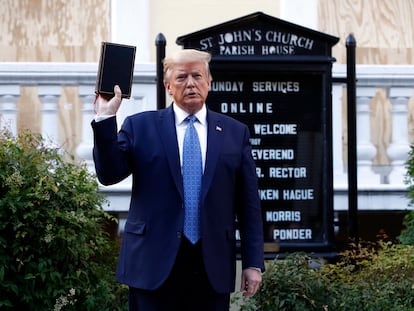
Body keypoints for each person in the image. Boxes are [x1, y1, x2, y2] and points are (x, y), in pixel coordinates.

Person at [91, 48, 264, 311]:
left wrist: (253, 262)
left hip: (211, 265)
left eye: (197, 76)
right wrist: (105, 118)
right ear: (168, 86)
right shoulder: (141, 127)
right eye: (182, 77)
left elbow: (249, 205)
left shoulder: (234, 133)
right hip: (152, 265)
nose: (191, 83)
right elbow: (109, 174)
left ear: (209, 83)